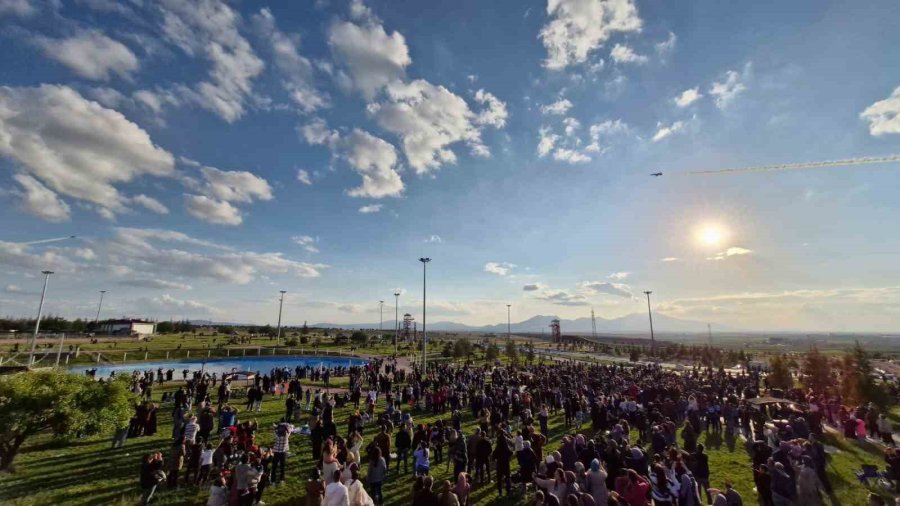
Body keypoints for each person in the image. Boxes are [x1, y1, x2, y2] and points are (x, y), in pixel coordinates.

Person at [272, 418, 294, 484]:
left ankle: (273, 480)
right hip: (283, 452)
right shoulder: (287, 435)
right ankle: (282, 479)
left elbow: (275, 430)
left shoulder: (276, 434)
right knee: (282, 466)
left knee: (274, 466)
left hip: (276, 452)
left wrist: (276, 426)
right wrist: (286, 425)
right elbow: (291, 427)